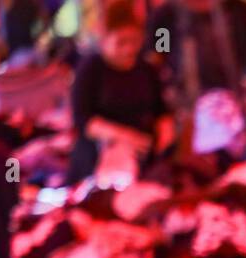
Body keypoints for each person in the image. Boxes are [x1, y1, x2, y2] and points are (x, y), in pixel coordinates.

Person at [67, 2, 170, 184]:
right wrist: (126, 137)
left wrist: (164, 137)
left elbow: (162, 111)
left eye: (134, 41)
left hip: (146, 160)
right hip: (98, 160)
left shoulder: (147, 69)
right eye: (121, 42)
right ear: (104, 40)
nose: (129, 49)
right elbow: (83, 120)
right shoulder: (90, 68)